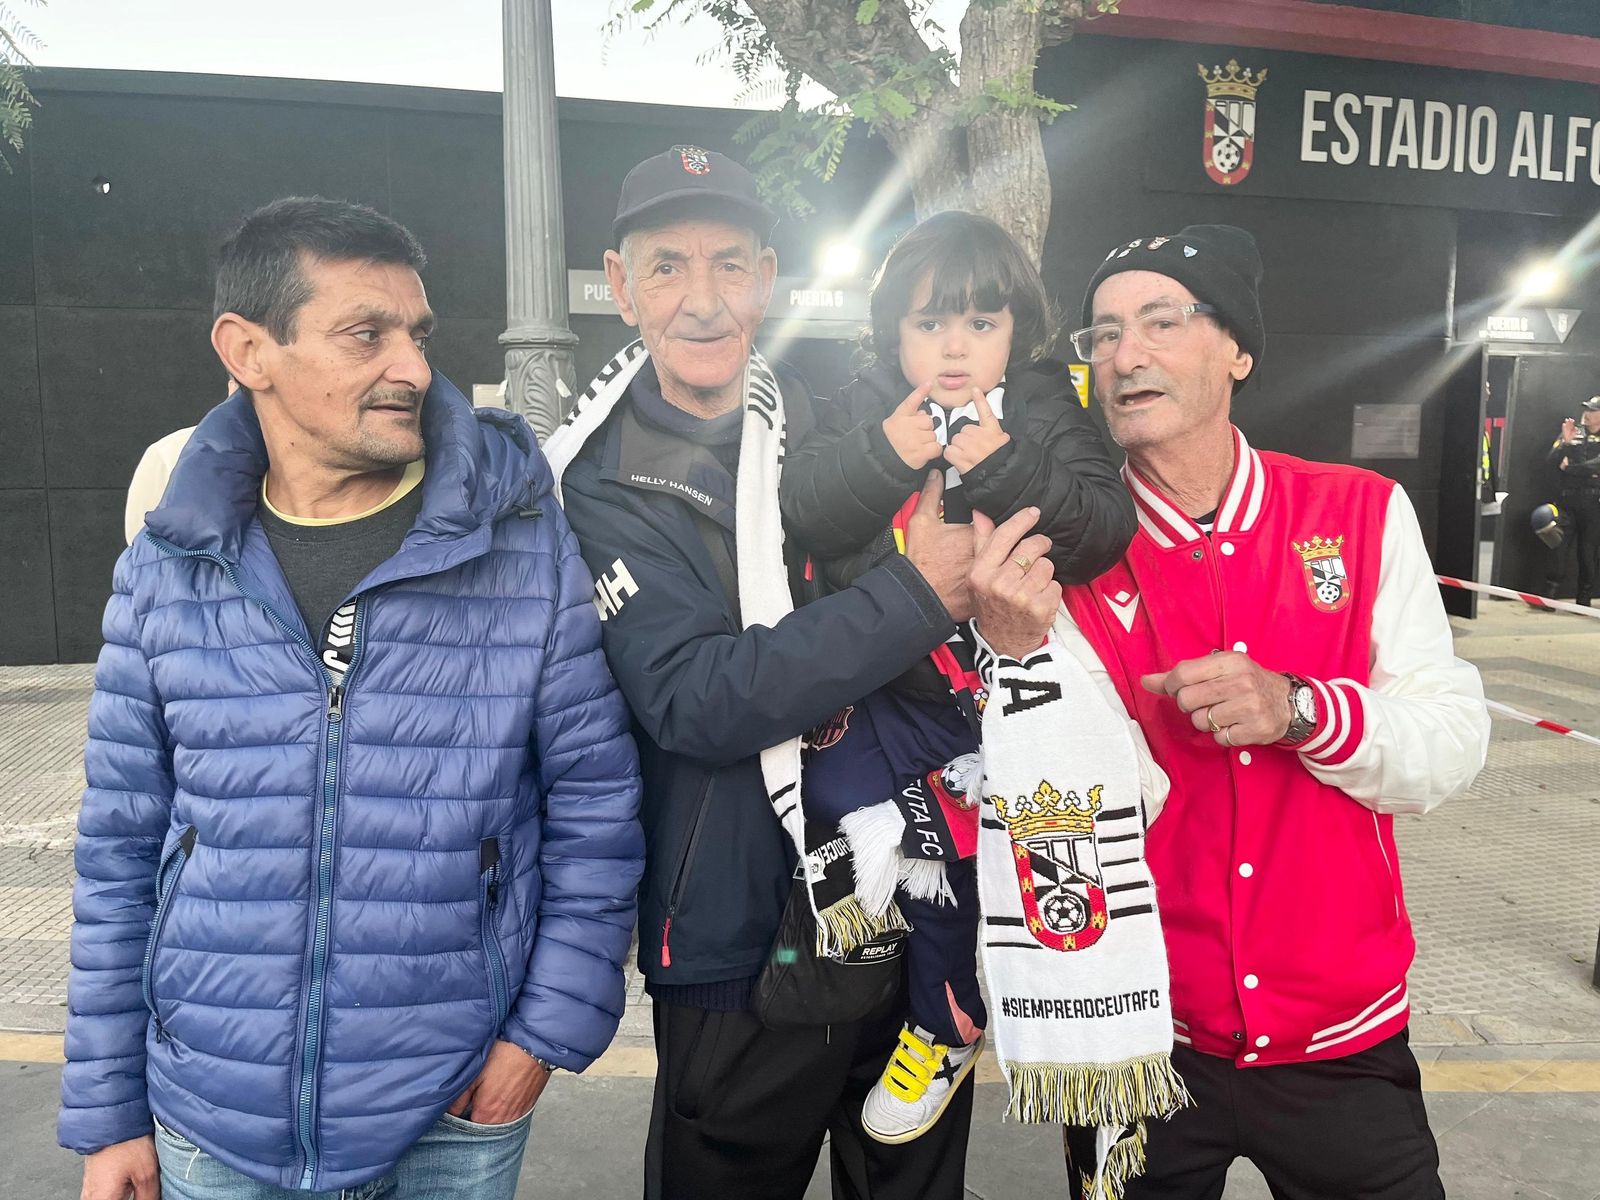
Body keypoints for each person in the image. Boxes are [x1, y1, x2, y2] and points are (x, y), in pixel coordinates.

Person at [60, 196, 645, 1200]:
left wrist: (539, 1041)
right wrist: (110, 1114)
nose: (412, 367)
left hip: (452, 1113)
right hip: (208, 1118)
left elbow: (596, 808)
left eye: (418, 334)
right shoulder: (167, 566)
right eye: (365, 334)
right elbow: (119, 853)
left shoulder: (519, 548)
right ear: (249, 350)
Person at [544, 146, 979, 1200]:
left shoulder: (842, 435)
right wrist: (919, 594)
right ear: (621, 286)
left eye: (730, 264)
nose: (703, 299)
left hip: (899, 904)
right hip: (733, 940)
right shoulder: (595, 483)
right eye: (668, 267)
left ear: (769, 279)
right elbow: (699, 698)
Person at [1022, 224, 1486, 1198]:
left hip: (1343, 1043)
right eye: (1102, 333)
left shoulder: (1359, 512)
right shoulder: (1064, 559)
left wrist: (1300, 709)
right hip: (1137, 1037)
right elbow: (1047, 804)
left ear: (1237, 349)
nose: (1125, 354)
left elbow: (1449, 744)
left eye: (1160, 321)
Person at [776, 210, 1135, 1144]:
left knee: (971, 860)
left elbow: (1103, 528)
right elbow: (804, 511)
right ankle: (886, 940)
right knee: (838, 791)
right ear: (891, 330)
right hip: (893, 689)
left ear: (1018, 331)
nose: (953, 347)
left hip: (1011, 705)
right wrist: (883, 457)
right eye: (928, 322)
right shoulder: (866, 404)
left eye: (981, 323)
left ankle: (950, 1023)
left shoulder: (1046, 405)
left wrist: (1007, 465)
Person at [1544, 396, 1600, 603]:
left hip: (1593, 504)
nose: (1587, 414)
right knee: (1558, 548)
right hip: (1567, 502)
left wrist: (1570, 469)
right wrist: (1565, 445)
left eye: (1593, 410)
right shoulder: (1572, 432)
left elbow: (1596, 466)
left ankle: (1583, 599)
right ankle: (1549, 596)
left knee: (1587, 553)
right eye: (1586, 409)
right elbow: (1551, 460)